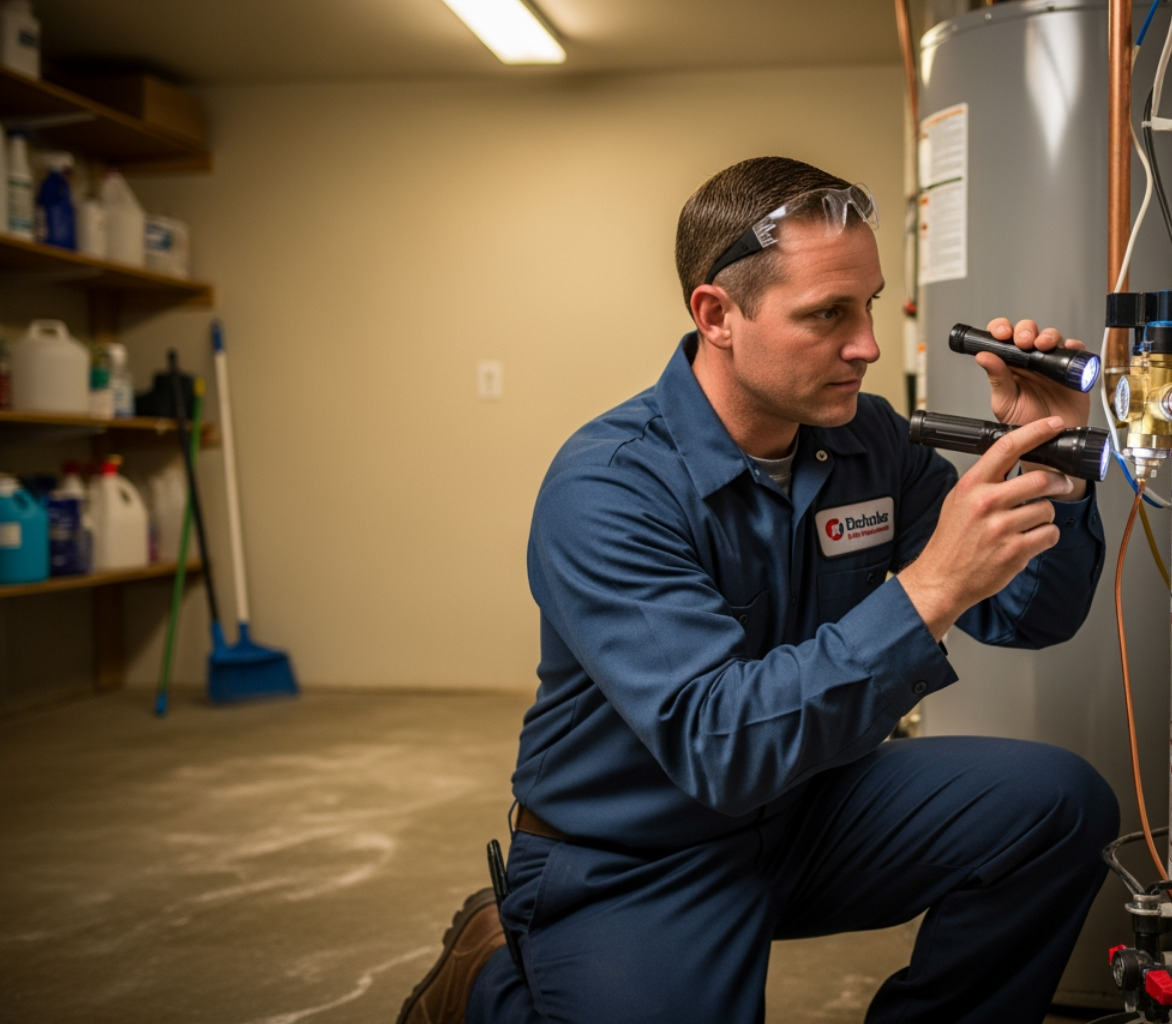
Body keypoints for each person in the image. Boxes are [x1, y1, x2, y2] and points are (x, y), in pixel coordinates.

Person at [399, 156, 1119, 1024]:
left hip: (808, 810)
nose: (868, 346)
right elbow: (716, 743)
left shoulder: (867, 441)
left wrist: (1046, 462)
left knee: (1056, 807)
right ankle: (487, 986)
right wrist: (927, 590)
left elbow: (1030, 615)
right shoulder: (609, 485)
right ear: (718, 315)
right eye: (826, 314)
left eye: (869, 305)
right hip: (636, 850)